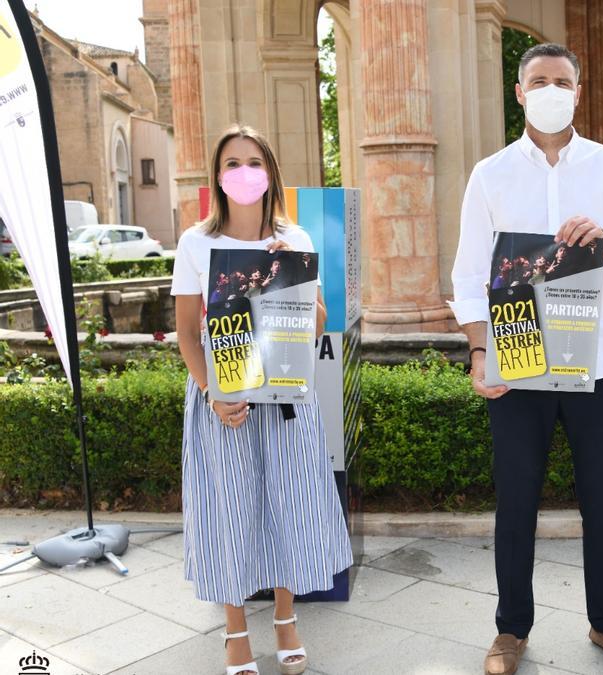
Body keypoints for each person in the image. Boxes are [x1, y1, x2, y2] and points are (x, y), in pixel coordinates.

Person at [449, 42, 603, 675]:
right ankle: (511, 631)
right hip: (517, 363)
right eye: (538, 80)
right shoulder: (490, 174)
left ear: (578, 89)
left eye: (561, 80)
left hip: (597, 363)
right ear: (519, 92)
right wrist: (481, 350)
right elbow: (466, 278)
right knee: (516, 501)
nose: (550, 89)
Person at [171, 124, 353, 675]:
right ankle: (233, 630)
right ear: (218, 176)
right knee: (232, 509)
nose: (243, 172)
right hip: (224, 399)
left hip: (286, 398)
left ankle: (284, 619)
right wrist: (211, 395)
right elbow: (185, 333)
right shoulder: (196, 243)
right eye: (232, 163)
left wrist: (286, 276)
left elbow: (318, 323)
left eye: (254, 162)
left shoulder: (295, 239)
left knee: (289, 507)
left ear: (269, 173)